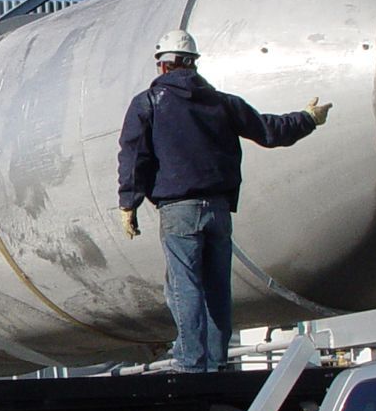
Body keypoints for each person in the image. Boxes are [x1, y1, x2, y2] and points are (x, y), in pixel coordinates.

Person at [117, 28, 330, 373]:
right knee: (217, 289)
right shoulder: (221, 102)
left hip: (179, 210)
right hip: (218, 209)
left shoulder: (149, 103)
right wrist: (307, 119)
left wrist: (129, 203)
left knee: (184, 286)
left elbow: (133, 155)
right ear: (192, 63)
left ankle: (191, 362)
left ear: (164, 65)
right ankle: (216, 362)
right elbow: (269, 131)